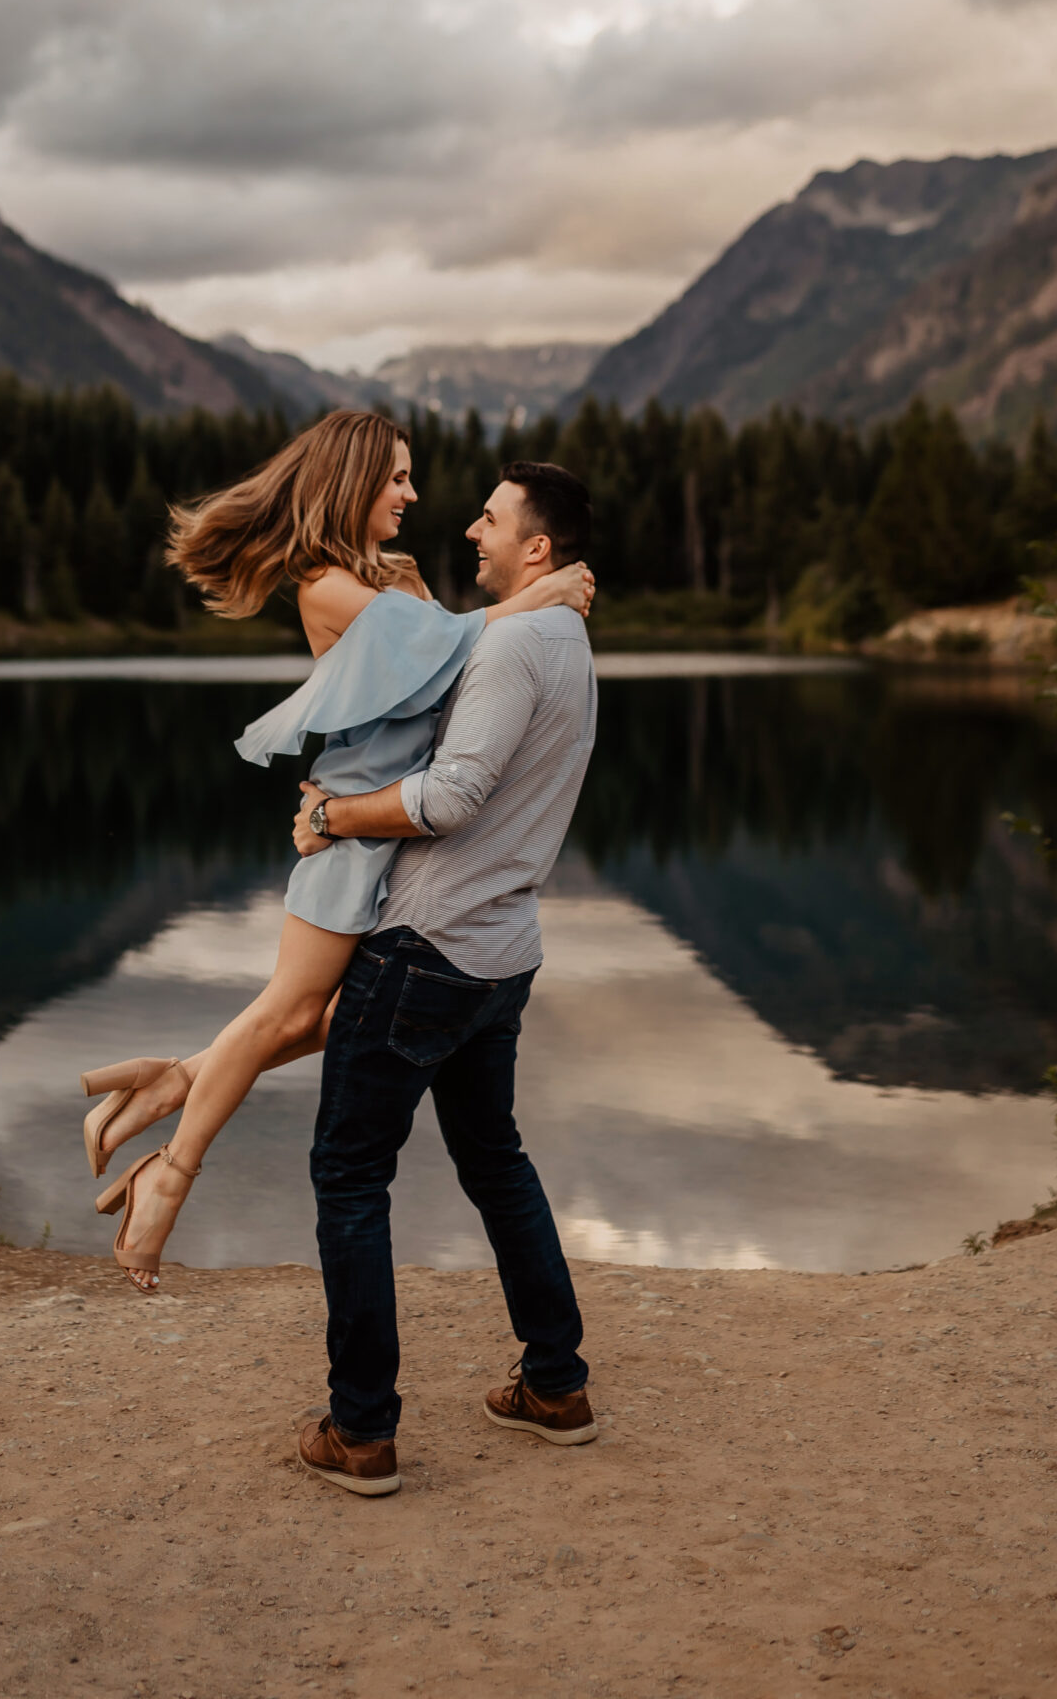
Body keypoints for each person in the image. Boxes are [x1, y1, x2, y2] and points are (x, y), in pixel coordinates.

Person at [79, 411, 594, 1292]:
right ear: (352, 482)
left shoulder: (391, 573)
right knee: (292, 1016)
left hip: (382, 835)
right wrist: (532, 600)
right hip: (346, 839)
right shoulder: (322, 583)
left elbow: (457, 673)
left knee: (334, 1021)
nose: (411, 493)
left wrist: (511, 613)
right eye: (395, 477)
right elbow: (440, 650)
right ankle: (165, 1181)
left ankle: (177, 1078)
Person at [292, 458, 599, 1498]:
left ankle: (362, 1430)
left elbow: (454, 793)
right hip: (502, 955)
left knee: (348, 1172)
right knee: (495, 1159)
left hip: (426, 947)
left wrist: (331, 815)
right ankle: (555, 1383)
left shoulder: (515, 641)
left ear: (537, 548)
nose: (473, 528)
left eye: (491, 518)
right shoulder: (564, 634)